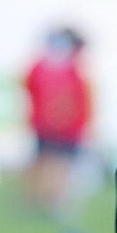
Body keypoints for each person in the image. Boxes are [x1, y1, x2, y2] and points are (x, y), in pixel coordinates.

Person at [22, 27, 91, 214]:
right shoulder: (51, 69)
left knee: (57, 164)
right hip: (51, 126)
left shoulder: (70, 70)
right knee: (49, 163)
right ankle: (44, 201)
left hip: (65, 128)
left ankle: (50, 201)